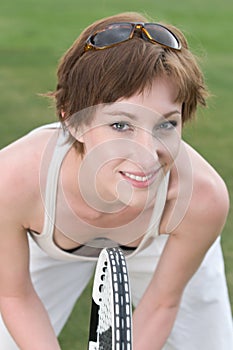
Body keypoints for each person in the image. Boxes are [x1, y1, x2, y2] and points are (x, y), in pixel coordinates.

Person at [0, 11, 232, 350]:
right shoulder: (12, 182)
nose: (147, 154)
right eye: (121, 125)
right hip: (44, 247)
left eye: (166, 124)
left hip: (160, 244)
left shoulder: (201, 198)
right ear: (72, 118)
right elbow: (14, 294)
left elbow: (162, 303)